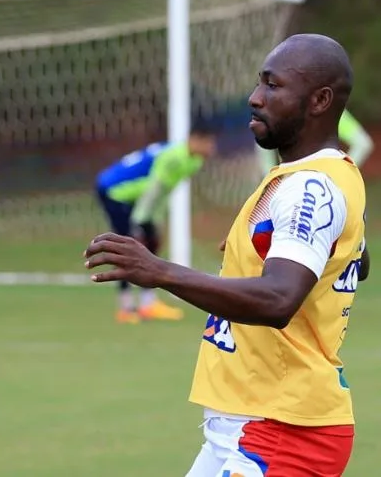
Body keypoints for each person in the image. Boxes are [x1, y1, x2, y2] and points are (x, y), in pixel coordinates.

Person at [84, 33, 370, 475]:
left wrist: (159, 271)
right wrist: (276, 245)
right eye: (259, 84)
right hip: (248, 423)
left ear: (319, 100)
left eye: (273, 86)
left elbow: (278, 300)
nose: (255, 98)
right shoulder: (321, 176)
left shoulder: (309, 186)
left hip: (281, 429)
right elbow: (356, 256)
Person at [95, 121, 217, 324]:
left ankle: (147, 304)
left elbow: (163, 191)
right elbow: (154, 190)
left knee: (149, 245)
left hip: (137, 198)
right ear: (194, 139)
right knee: (126, 246)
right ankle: (125, 307)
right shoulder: (174, 157)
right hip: (114, 192)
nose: (212, 149)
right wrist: (141, 221)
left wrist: (153, 220)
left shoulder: (193, 161)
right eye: (208, 143)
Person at [257, 107, 374, 173]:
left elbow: (263, 139)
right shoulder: (331, 109)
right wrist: (339, 174)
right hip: (328, 191)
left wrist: (269, 177)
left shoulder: (285, 108)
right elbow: (363, 144)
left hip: (292, 190)